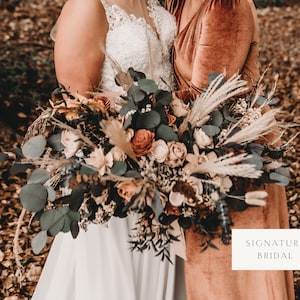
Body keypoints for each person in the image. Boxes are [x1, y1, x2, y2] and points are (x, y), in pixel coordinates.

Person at [32, 1, 184, 299]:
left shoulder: (153, 1)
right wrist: (130, 148)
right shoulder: (87, 5)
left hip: (166, 167)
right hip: (117, 176)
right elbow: (77, 109)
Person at [165, 0, 295, 299]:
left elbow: (205, 96)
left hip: (237, 154)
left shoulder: (227, 6)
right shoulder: (176, 2)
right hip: (198, 151)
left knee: (232, 275)